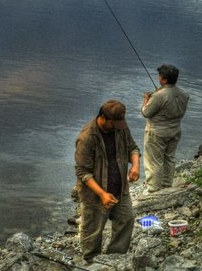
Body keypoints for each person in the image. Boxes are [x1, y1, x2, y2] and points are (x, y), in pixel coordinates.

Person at [74, 99, 140, 263]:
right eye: (114, 124)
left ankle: (114, 258)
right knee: (93, 231)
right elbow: (83, 172)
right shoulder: (87, 137)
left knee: (127, 219)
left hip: (120, 189)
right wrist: (102, 194)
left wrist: (136, 166)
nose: (118, 127)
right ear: (103, 118)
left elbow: (133, 148)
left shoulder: (120, 128)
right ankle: (91, 261)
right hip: (95, 195)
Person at [141, 64, 189, 192]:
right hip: (175, 130)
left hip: (157, 132)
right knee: (169, 158)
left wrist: (146, 100)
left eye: (160, 76)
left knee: (154, 161)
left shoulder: (159, 95)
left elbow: (146, 113)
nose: (159, 78)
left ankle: (153, 189)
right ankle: (167, 184)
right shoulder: (184, 94)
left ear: (164, 80)